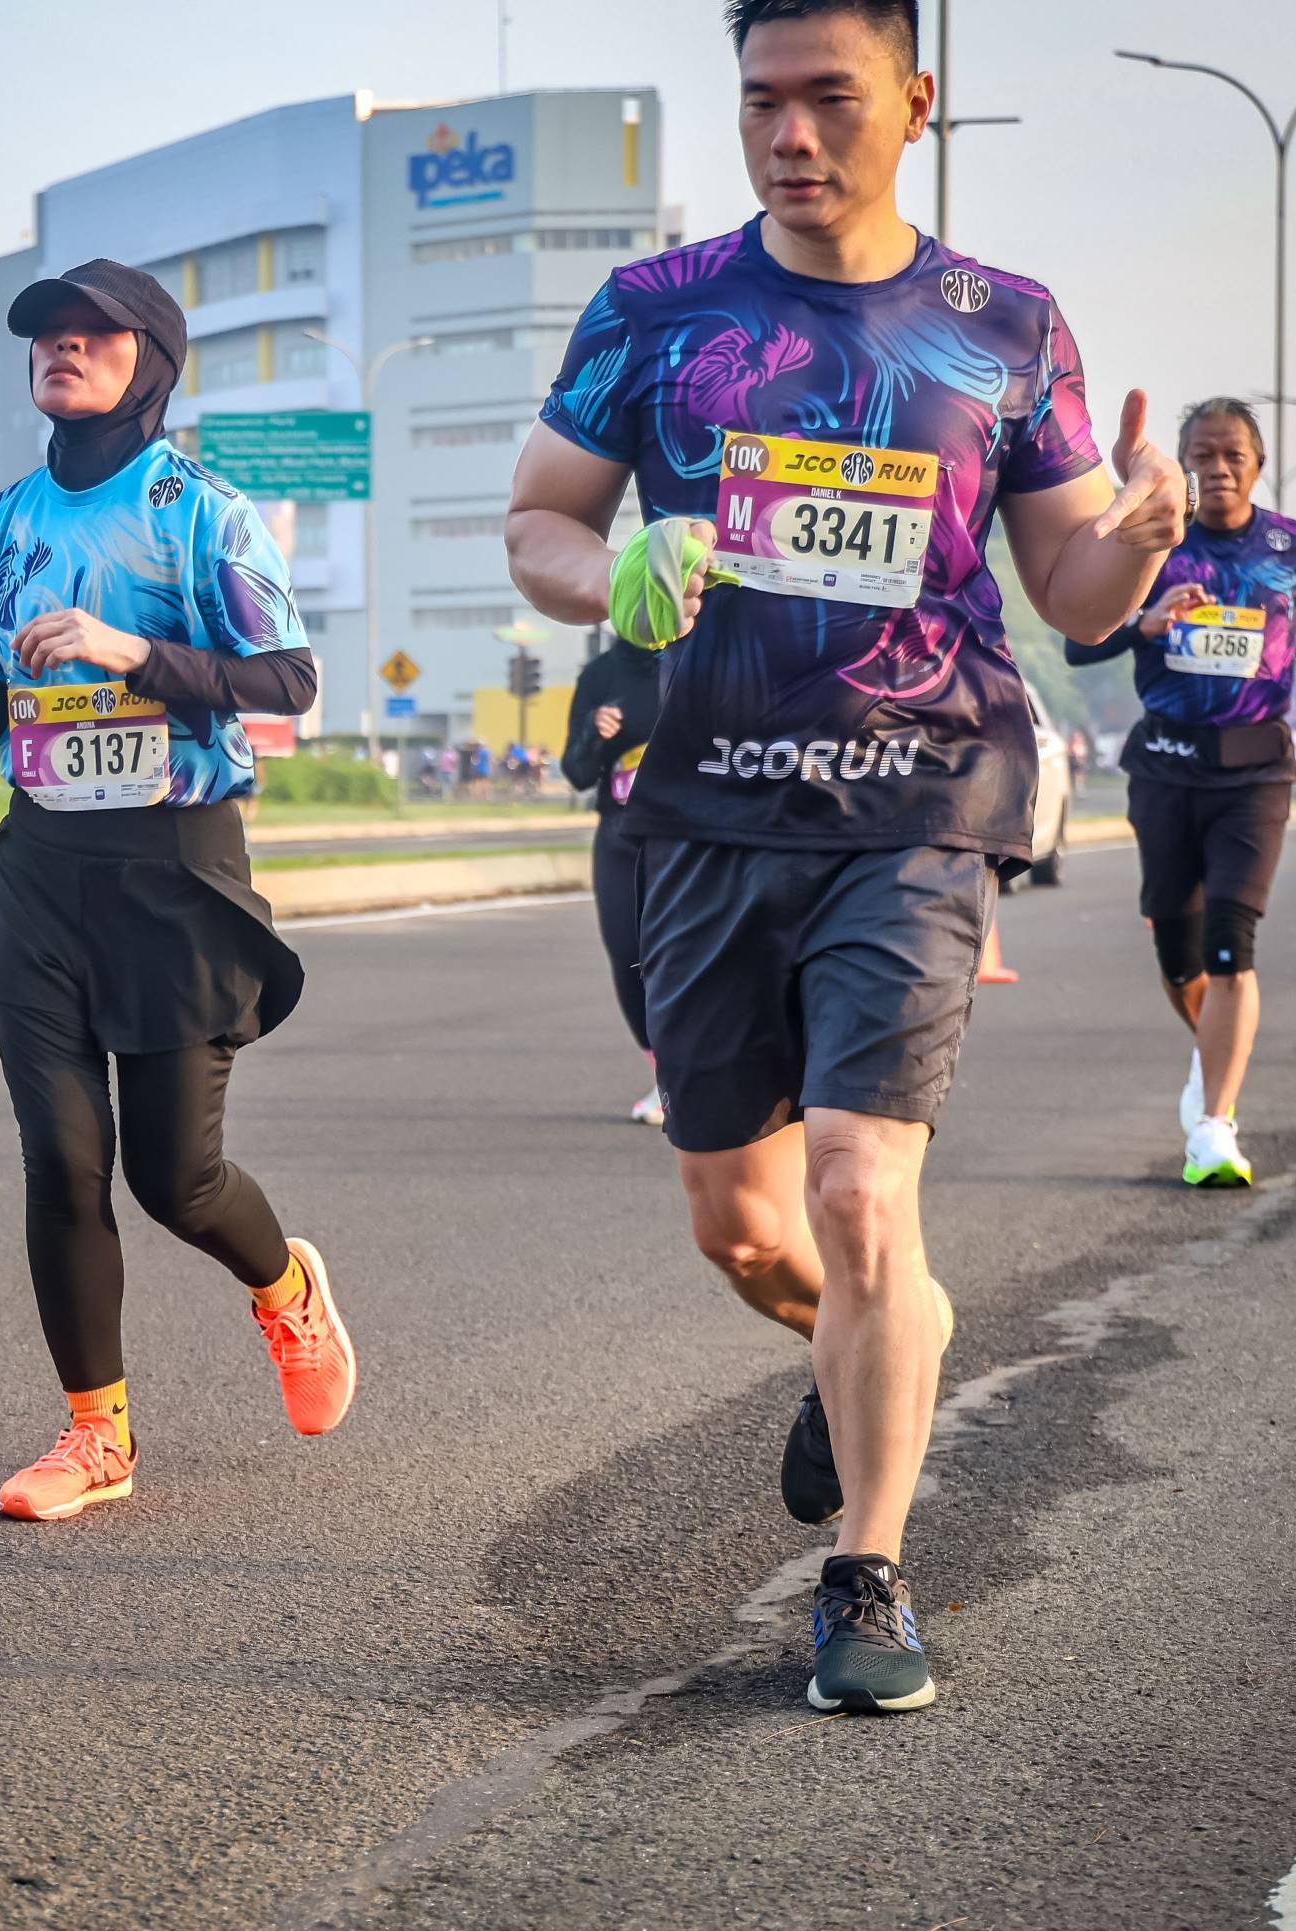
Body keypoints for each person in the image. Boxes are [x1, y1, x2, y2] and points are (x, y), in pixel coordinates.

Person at [505, 0, 1185, 1714]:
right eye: (762, 102)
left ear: (916, 101)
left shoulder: (1004, 325)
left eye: (830, 98)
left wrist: (1141, 542)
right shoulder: (656, 310)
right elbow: (540, 520)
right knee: (742, 1226)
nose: (791, 135)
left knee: (862, 1190)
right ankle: (862, 1338)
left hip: (918, 801)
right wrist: (614, 573)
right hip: (703, 806)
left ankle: (867, 1576)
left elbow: (1072, 591)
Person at [0, 258, 357, 1525]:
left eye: (95, 333)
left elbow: (290, 678)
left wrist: (132, 650)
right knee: (60, 1158)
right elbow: (5, 713)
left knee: (173, 1176)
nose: (63, 346)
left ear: (151, 358)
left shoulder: (204, 512)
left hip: (175, 863)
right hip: (42, 865)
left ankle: (286, 1289)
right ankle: (98, 1433)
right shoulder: (0, 524)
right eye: (47, 332)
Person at [1063, 396, 1296, 1187]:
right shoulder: (1150, 540)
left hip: (1256, 768)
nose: (1218, 467)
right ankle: (1213, 1060)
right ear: (1182, 463)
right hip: (1166, 764)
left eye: (1234, 454)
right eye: (1202, 453)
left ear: (1258, 465)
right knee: (1179, 951)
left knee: (1233, 941)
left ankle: (1215, 1123)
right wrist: (1145, 623)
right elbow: (1077, 643)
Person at [559, 634, 667, 1124]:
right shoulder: (602, 674)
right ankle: (667, 1077)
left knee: (692, 958)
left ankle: (702, 1073)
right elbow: (577, 772)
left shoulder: (703, 656)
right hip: (621, 837)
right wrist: (591, 733)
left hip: (691, 839)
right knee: (628, 955)